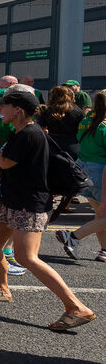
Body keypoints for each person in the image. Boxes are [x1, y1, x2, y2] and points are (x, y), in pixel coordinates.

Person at [0, 91, 96, 331]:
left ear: (17, 110)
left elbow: (5, 162)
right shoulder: (20, 132)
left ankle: (76, 307)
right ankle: (2, 289)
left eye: (3, 106)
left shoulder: (29, 134)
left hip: (29, 204)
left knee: (26, 257)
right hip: (11, 199)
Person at [72, 90, 106, 262]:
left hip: (84, 169)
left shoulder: (86, 120)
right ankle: (73, 236)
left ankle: (104, 250)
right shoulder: (104, 125)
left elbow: (79, 139)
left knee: (99, 214)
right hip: (100, 171)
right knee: (102, 215)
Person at [37, 85, 85, 158]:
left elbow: (41, 129)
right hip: (72, 145)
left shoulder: (46, 111)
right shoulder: (78, 112)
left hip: (52, 145)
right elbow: (82, 131)